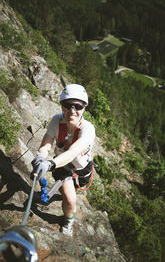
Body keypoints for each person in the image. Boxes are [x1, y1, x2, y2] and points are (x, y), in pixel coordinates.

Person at [32, 84, 95, 236]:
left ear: (84, 109)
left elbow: (73, 152)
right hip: (62, 167)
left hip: (81, 169)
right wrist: (41, 155)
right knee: (70, 201)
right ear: (62, 107)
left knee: (74, 192)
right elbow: (47, 143)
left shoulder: (88, 129)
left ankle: (68, 194)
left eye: (78, 106)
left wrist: (50, 164)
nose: (72, 111)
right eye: (68, 105)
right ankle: (68, 219)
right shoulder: (56, 121)